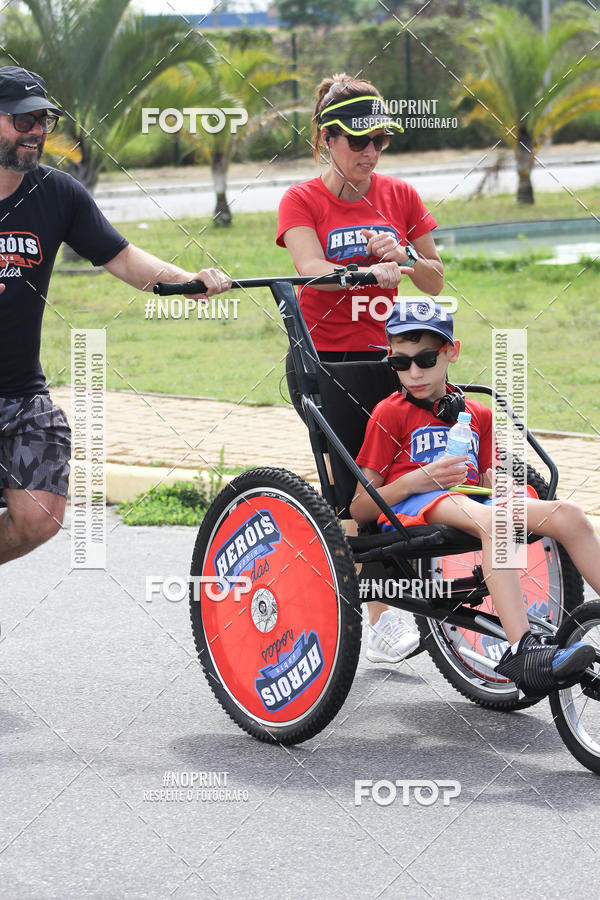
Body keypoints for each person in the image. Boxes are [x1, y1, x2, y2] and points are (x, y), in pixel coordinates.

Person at [0, 66, 231, 567]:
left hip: (19, 393)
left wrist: (187, 281)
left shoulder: (57, 193)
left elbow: (122, 257)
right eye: (22, 120)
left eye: (43, 120)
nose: (36, 130)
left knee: (40, 518)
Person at [276, 73, 444, 663]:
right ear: (326, 139)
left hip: (394, 361)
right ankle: (378, 617)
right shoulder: (302, 200)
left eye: (380, 140)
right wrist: (362, 272)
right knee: (360, 489)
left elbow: (435, 278)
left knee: (410, 473)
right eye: (357, 140)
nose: (370, 152)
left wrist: (405, 255)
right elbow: (308, 268)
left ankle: (405, 592)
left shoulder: (401, 195)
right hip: (327, 365)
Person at [350, 301, 597, 697]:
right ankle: (521, 650)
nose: (414, 373)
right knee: (494, 522)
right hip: (413, 505)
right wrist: (417, 480)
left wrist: (499, 482)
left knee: (569, 514)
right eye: (400, 363)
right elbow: (360, 506)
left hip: (472, 501)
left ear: (452, 352)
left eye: (426, 360)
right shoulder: (389, 414)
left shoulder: (476, 414)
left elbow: (486, 477)